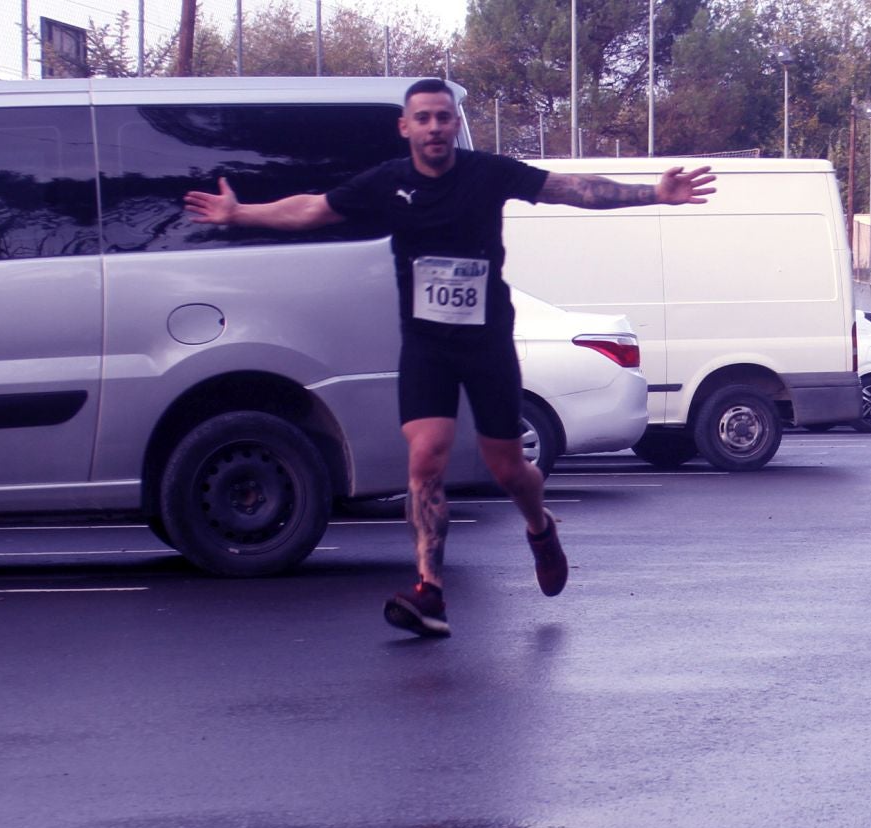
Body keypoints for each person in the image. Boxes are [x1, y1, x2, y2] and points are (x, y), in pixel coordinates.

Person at [184, 79, 716, 638]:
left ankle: (539, 526)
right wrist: (238, 213)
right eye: (424, 118)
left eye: (444, 117)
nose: (435, 127)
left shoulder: (487, 173)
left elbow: (569, 188)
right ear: (405, 126)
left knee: (509, 469)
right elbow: (312, 209)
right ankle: (429, 590)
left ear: (455, 123)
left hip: (486, 342)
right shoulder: (388, 184)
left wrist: (652, 194)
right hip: (427, 344)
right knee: (426, 457)